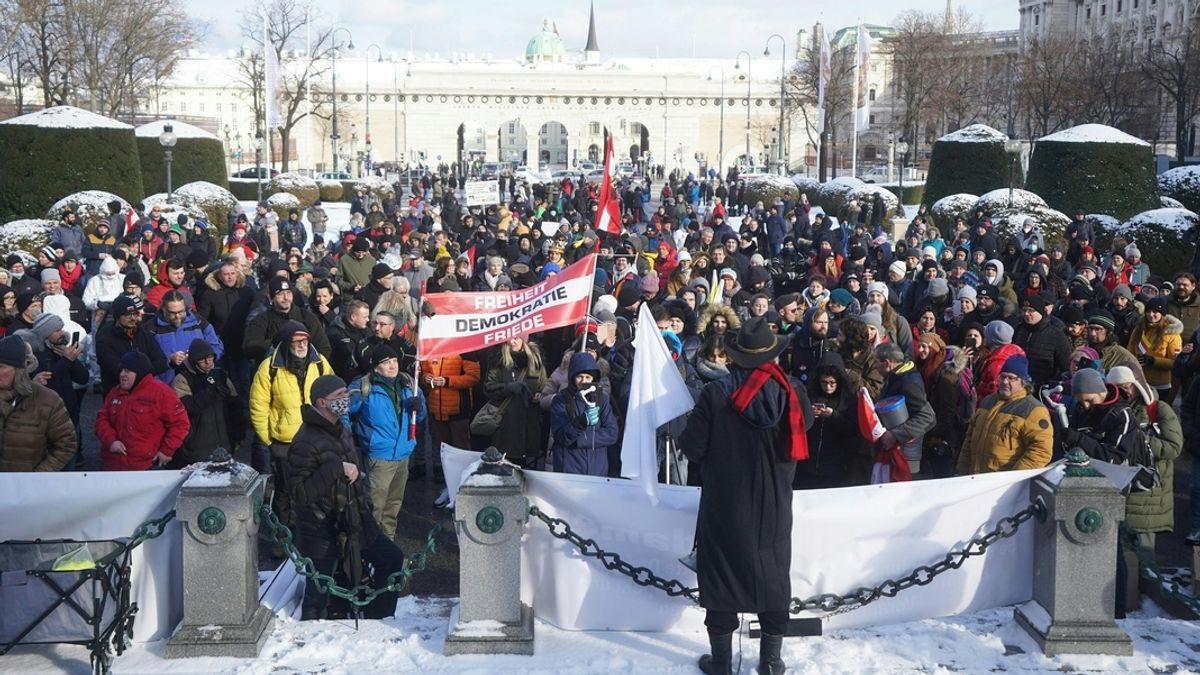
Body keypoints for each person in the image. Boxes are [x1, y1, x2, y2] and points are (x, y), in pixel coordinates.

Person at [679, 316, 812, 675]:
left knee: (721, 577)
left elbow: (692, 447)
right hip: (774, 502)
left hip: (725, 502)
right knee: (773, 577)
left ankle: (721, 662)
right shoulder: (792, 391)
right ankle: (770, 660)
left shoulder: (715, 394)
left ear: (735, 357)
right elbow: (808, 427)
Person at [286, 374, 406, 620]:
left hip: (355, 520)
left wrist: (366, 503)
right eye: (340, 396)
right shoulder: (305, 441)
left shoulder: (340, 428)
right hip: (323, 530)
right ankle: (310, 637)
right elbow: (299, 493)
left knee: (391, 559)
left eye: (346, 394)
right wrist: (335, 469)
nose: (346, 399)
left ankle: (378, 619)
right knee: (320, 592)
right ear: (321, 402)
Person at [249, 321, 334, 525]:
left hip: (316, 437)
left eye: (304, 340)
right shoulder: (268, 368)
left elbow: (333, 393)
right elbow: (258, 407)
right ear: (286, 343)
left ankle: (313, 533)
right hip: (284, 442)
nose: (302, 345)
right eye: (296, 341)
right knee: (285, 491)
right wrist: (269, 441)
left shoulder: (320, 362)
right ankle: (284, 535)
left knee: (317, 488)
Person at [348, 345, 426, 539]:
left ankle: (388, 542)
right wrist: (351, 438)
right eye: (386, 363)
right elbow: (343, 412)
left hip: (403, 453)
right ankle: (370, 546)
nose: (392, 366)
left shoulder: (409, 385)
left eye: (394, 361)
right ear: (376, 368)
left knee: (393, 505)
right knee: (374, 505)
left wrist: (420, 407)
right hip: (379, 456)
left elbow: (421, 417)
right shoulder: (363, 387)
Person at [956, 355, 1053, 474]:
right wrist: (962, 471)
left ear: (1023, 382)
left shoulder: (1034, 410)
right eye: (1002, 377)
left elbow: (1041, 451)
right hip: (976, 479)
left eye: (1011, 378)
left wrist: (1013, 478)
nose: (1005, 382)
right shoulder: (987, 401)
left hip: (1003, 484)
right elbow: (969, 439)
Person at [95, 351, 190, 471]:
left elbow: (180, 424)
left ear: (139, 373)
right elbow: (101, 420)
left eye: (128, 371)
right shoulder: (115, 392)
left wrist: (166, 451)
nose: (122, 375)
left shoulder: (162, 393)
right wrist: (111, 441)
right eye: (121, 370)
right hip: (112, 465)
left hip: (145, 468)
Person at [0, 334, 76, 471]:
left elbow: (66, 445)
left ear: (19, 370)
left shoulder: (47, 400)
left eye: (1, 366)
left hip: (26, 488)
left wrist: (38, 477)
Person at [170, 339, 244, 468]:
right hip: (196, 446)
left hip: (224, 443)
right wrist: (210, 392)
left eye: (210, 358)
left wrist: (238, 434)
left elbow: (235, 407)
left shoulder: (221, 375)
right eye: (202, 359)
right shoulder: (182, 380)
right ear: (193, 361)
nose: (208, 362)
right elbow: (188, 408)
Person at [549, 352, 619, 476]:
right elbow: (561, 436)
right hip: (569, 470)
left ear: (594, 378)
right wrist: (581, 421)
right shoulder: (561, 399)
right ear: (572, 376)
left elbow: (612, 433)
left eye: (588, 377)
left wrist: (580, 440)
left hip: (598, 471)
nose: (583, 381)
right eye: (579, 376)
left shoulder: (601, 398)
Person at [873, 342, 937, 477]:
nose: (875, 366)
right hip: (895, 453)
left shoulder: (907, 382)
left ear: (887, 363)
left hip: (906, 457)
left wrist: (895, 434)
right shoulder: (895, 377)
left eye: (876, 362)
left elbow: (928, 417)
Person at [482, 336, 548, 468]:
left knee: (527, 472)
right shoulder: (498, 361)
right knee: (504, 469)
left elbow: (545, 387)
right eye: (509, 338)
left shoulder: (536, 361)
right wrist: (507, 388)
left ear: (524, 339)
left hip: (530, 426)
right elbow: (488, 388)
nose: (512, 341)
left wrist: (540, 395)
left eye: (516, 338)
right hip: (505, 426)